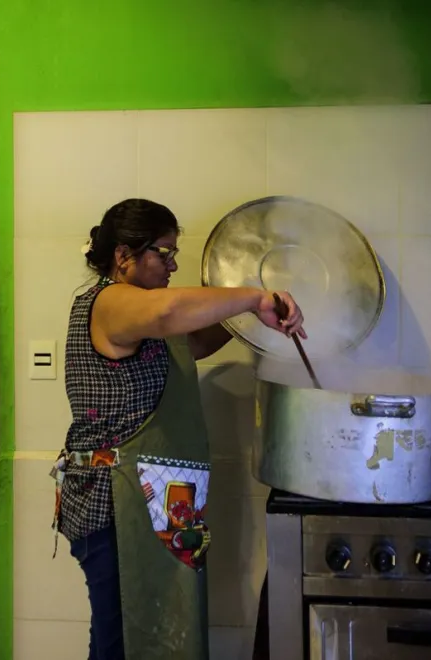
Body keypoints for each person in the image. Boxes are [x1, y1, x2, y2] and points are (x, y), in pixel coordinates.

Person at [50, 198, 306, 660]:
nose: (172, 265)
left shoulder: (142, 316)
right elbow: (168, 312)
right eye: (163, 253)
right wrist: (253, 296)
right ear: (123, 256)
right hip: (115, 503)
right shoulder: (110, 301)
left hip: (157, 502)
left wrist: (250, 313)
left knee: (138, 636)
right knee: (123, 641)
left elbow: (194, 340)